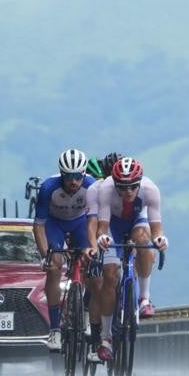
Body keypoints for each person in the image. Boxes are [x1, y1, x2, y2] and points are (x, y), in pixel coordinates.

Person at [93, 157, 168, 362]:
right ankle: (105, 338)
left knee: (144, 242)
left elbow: (156, 228)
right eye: (123, 187)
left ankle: (144, 298)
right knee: (109, 276)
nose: (128, 192)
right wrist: (102, 237)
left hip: (137, 221)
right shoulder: (106, 189)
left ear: (140, 183)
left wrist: (160, 240)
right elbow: (102, 226)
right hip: (113, 225)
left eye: (133, 187)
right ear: (115, 183)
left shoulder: (150, 190)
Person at [31, 149, 97, 352]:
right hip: (55, 224)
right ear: (61, 174)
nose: (73, 181)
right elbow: (39, 226)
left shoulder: (91, 186)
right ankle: (55, 330)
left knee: (91, 262)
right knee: (54, 268)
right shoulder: (48, 188)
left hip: (80, 223)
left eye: (78, 176)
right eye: (68, 176)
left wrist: (92, 247)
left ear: (83, 174)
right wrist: (45, 256)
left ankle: (86, 311)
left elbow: (95, 219)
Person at [84, 152, 123, 362]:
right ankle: (98, 336)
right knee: (98, 282)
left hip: (118, 230)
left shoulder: (133, 190)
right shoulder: (96, 189)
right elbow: (90, 223)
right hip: (98, 229)